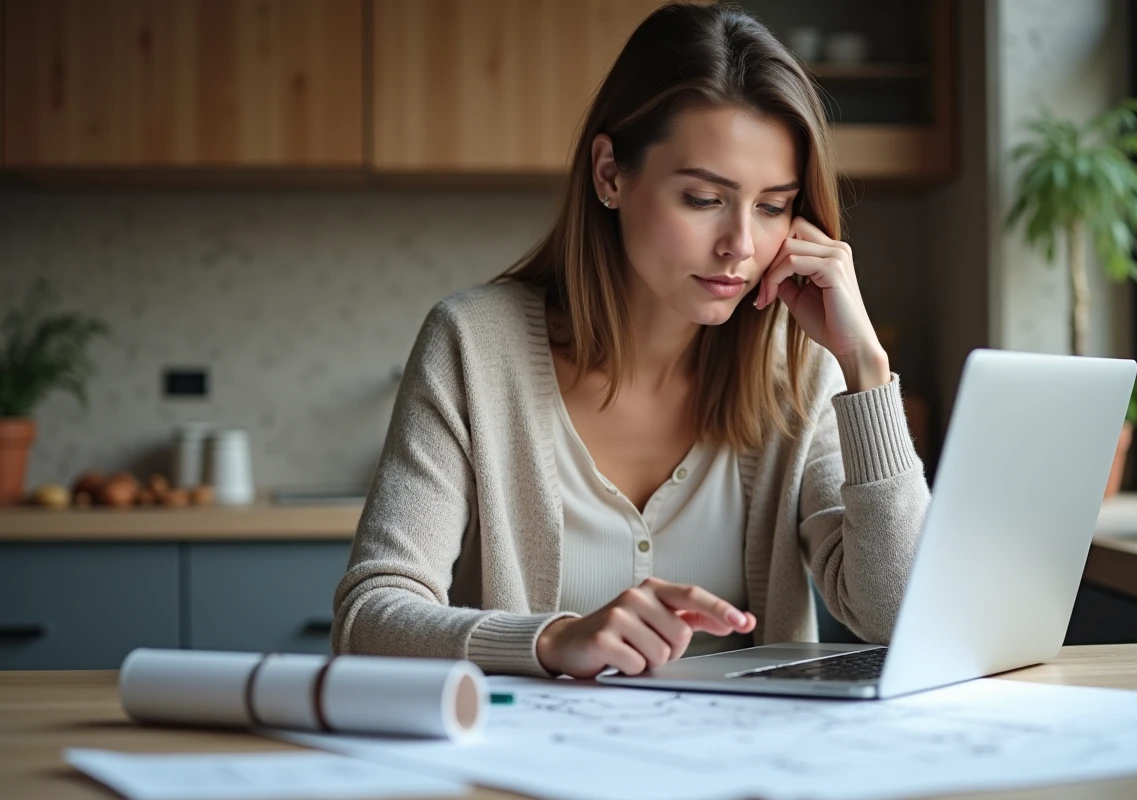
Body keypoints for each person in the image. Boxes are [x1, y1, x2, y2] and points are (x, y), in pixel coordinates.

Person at [332, 2, 930, 679]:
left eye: (772, 207)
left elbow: (902, 615)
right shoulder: (473, 345)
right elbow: (368, 617)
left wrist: (866, 369)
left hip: (748, 773)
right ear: (610, 174)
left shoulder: (798, 368)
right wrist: (551, 640)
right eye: (704, 199)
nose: (741, 245)